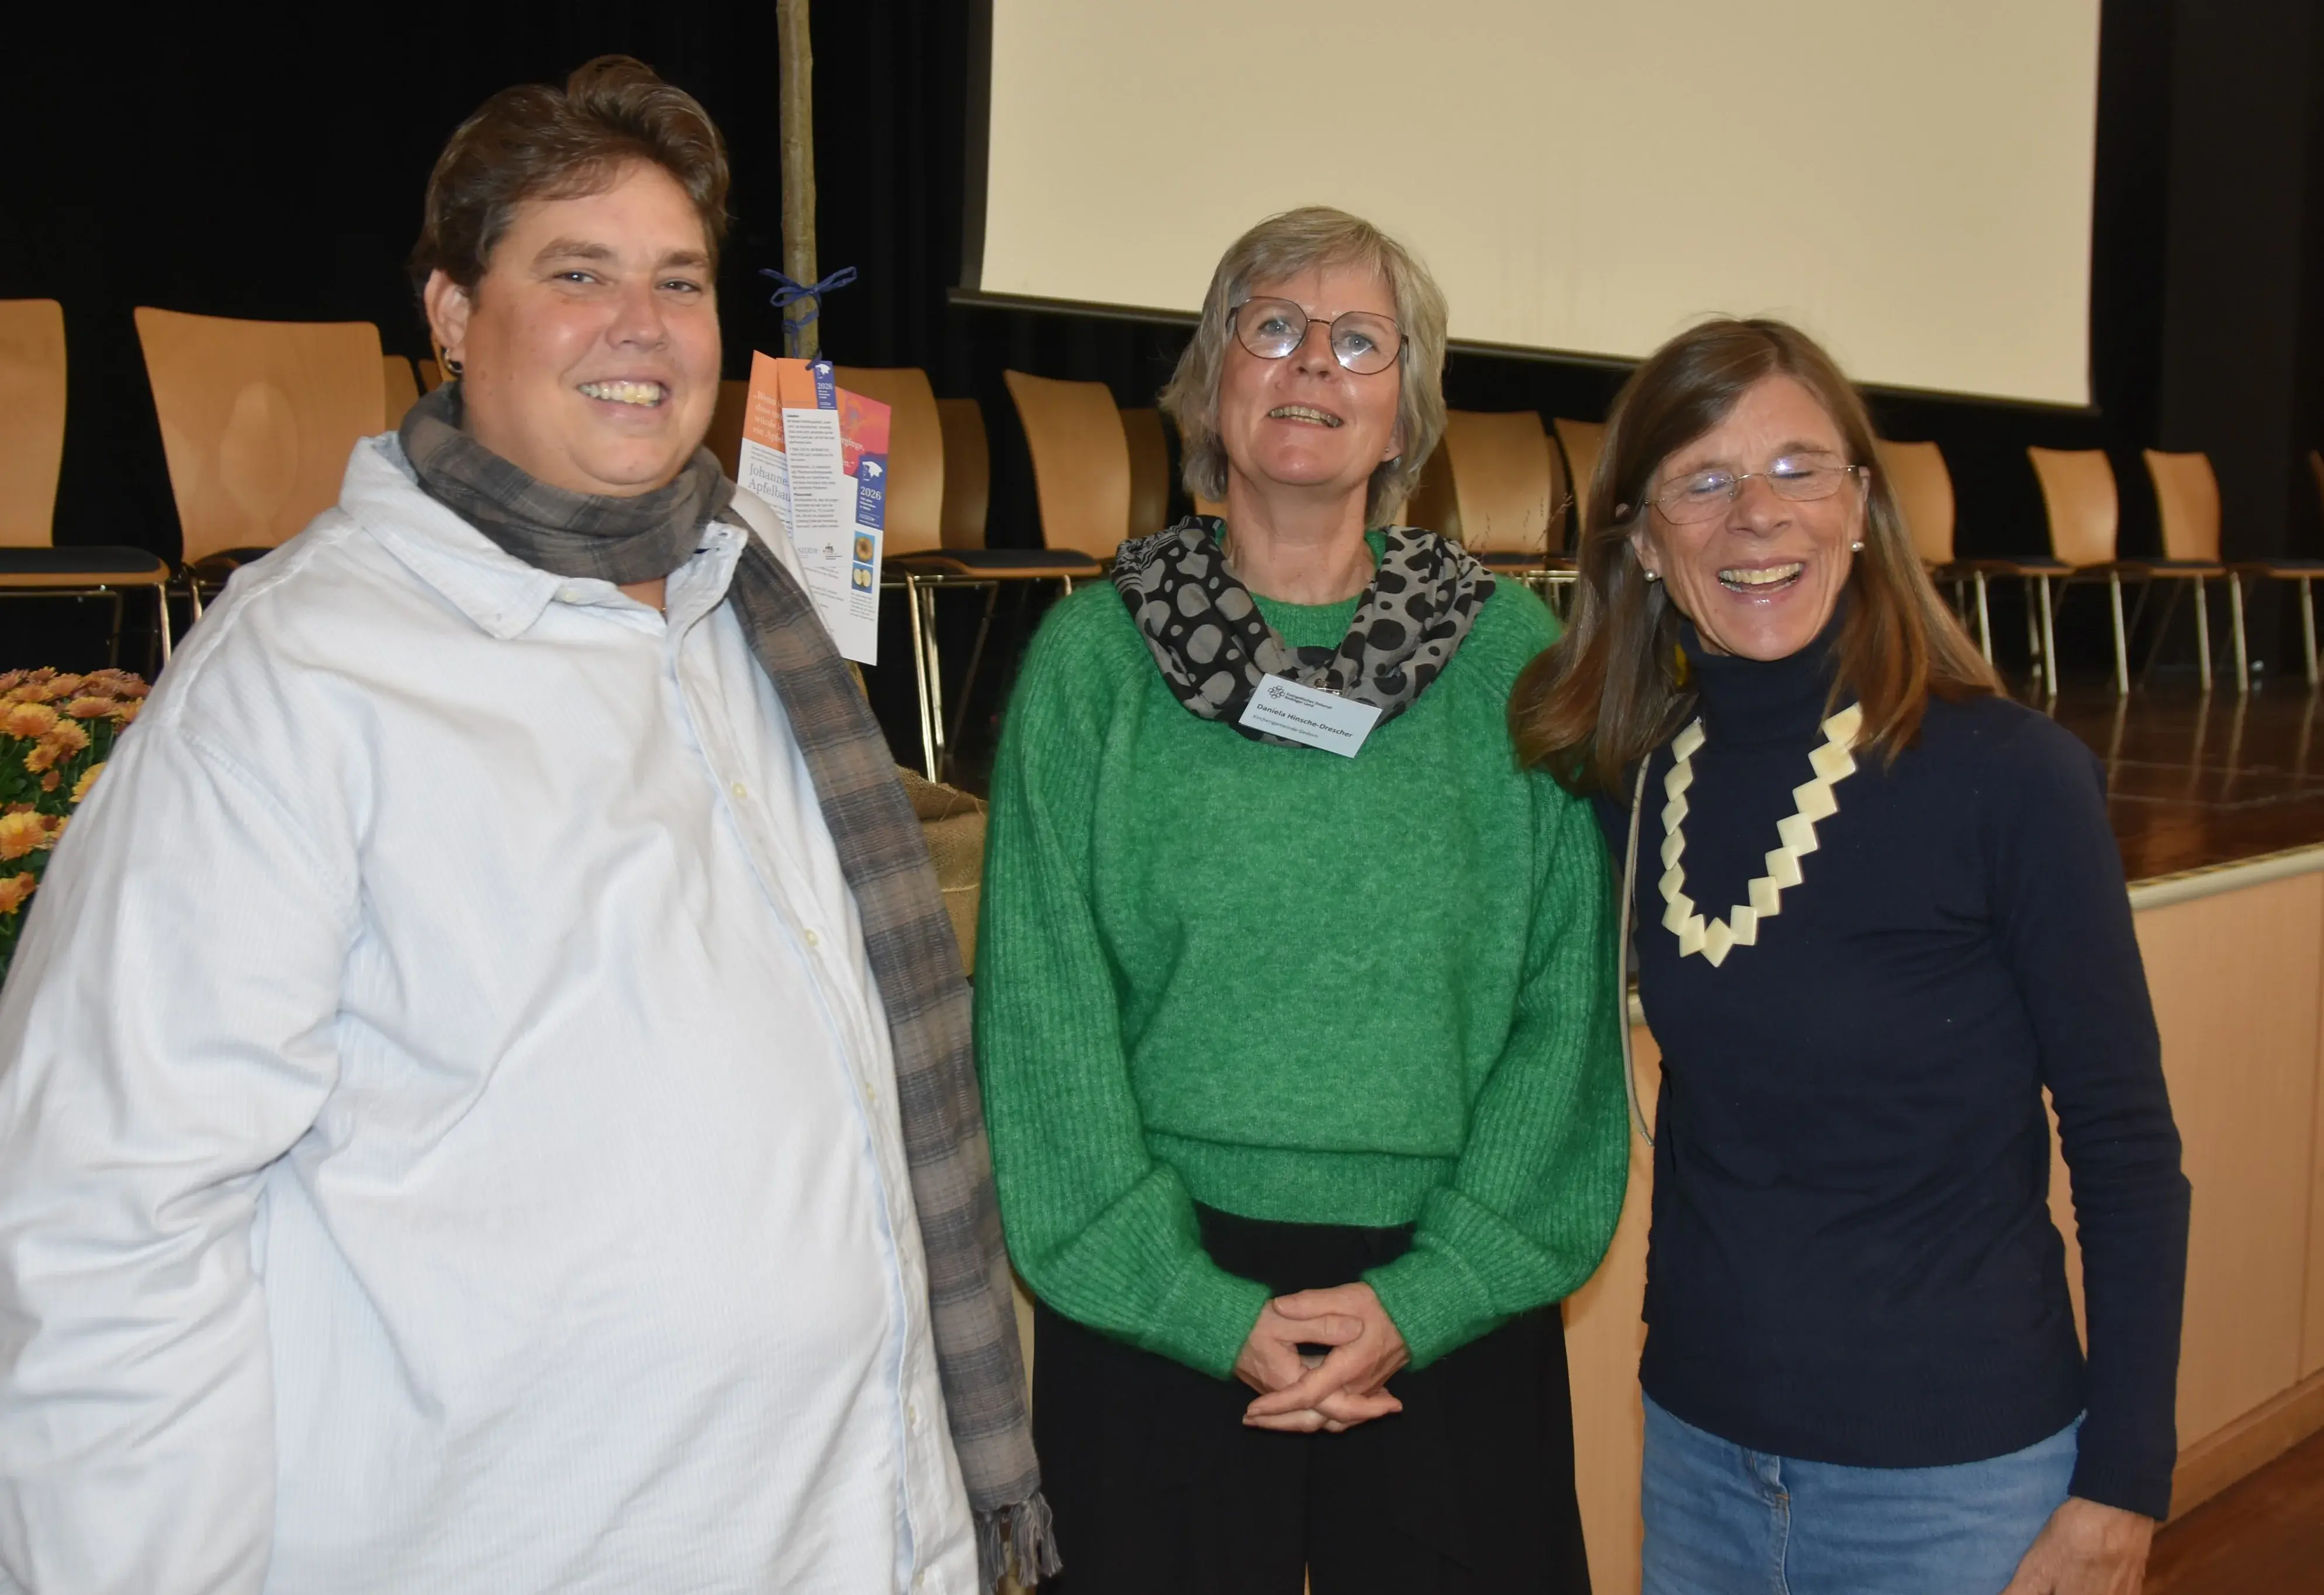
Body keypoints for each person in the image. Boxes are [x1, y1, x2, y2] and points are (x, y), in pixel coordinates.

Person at [0, 58, 1050, 1594]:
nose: (643, 326)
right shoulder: (310, 674)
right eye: (579, 275)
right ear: (448, 314)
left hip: (836, 1525)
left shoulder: (746, 621)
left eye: (679, 281)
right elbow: (105, 1224)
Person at [973, 206, 1627, 1593]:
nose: (1309, 364)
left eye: (1355, 340)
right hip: (1159, 1298)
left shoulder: (1516, 663)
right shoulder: (1092, 665)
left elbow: (1563, 1008)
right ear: (1215, 382)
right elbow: (1044, 1017)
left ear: (1405, 411)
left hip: (1449, 1297)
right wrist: (1183, 1300)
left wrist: (1435, 1288)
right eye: (1268, 328)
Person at [1510, 317, 2190, 1595]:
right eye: (1701, 482)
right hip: (1698, 1460)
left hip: (1958, 1483)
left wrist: (2123, 1479)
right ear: (1644, 542)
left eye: (1795, 470)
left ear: (1861, 507)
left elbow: (2123, 1145)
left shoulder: (2010, 780)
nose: (1752, 517)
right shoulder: (1633, 780)